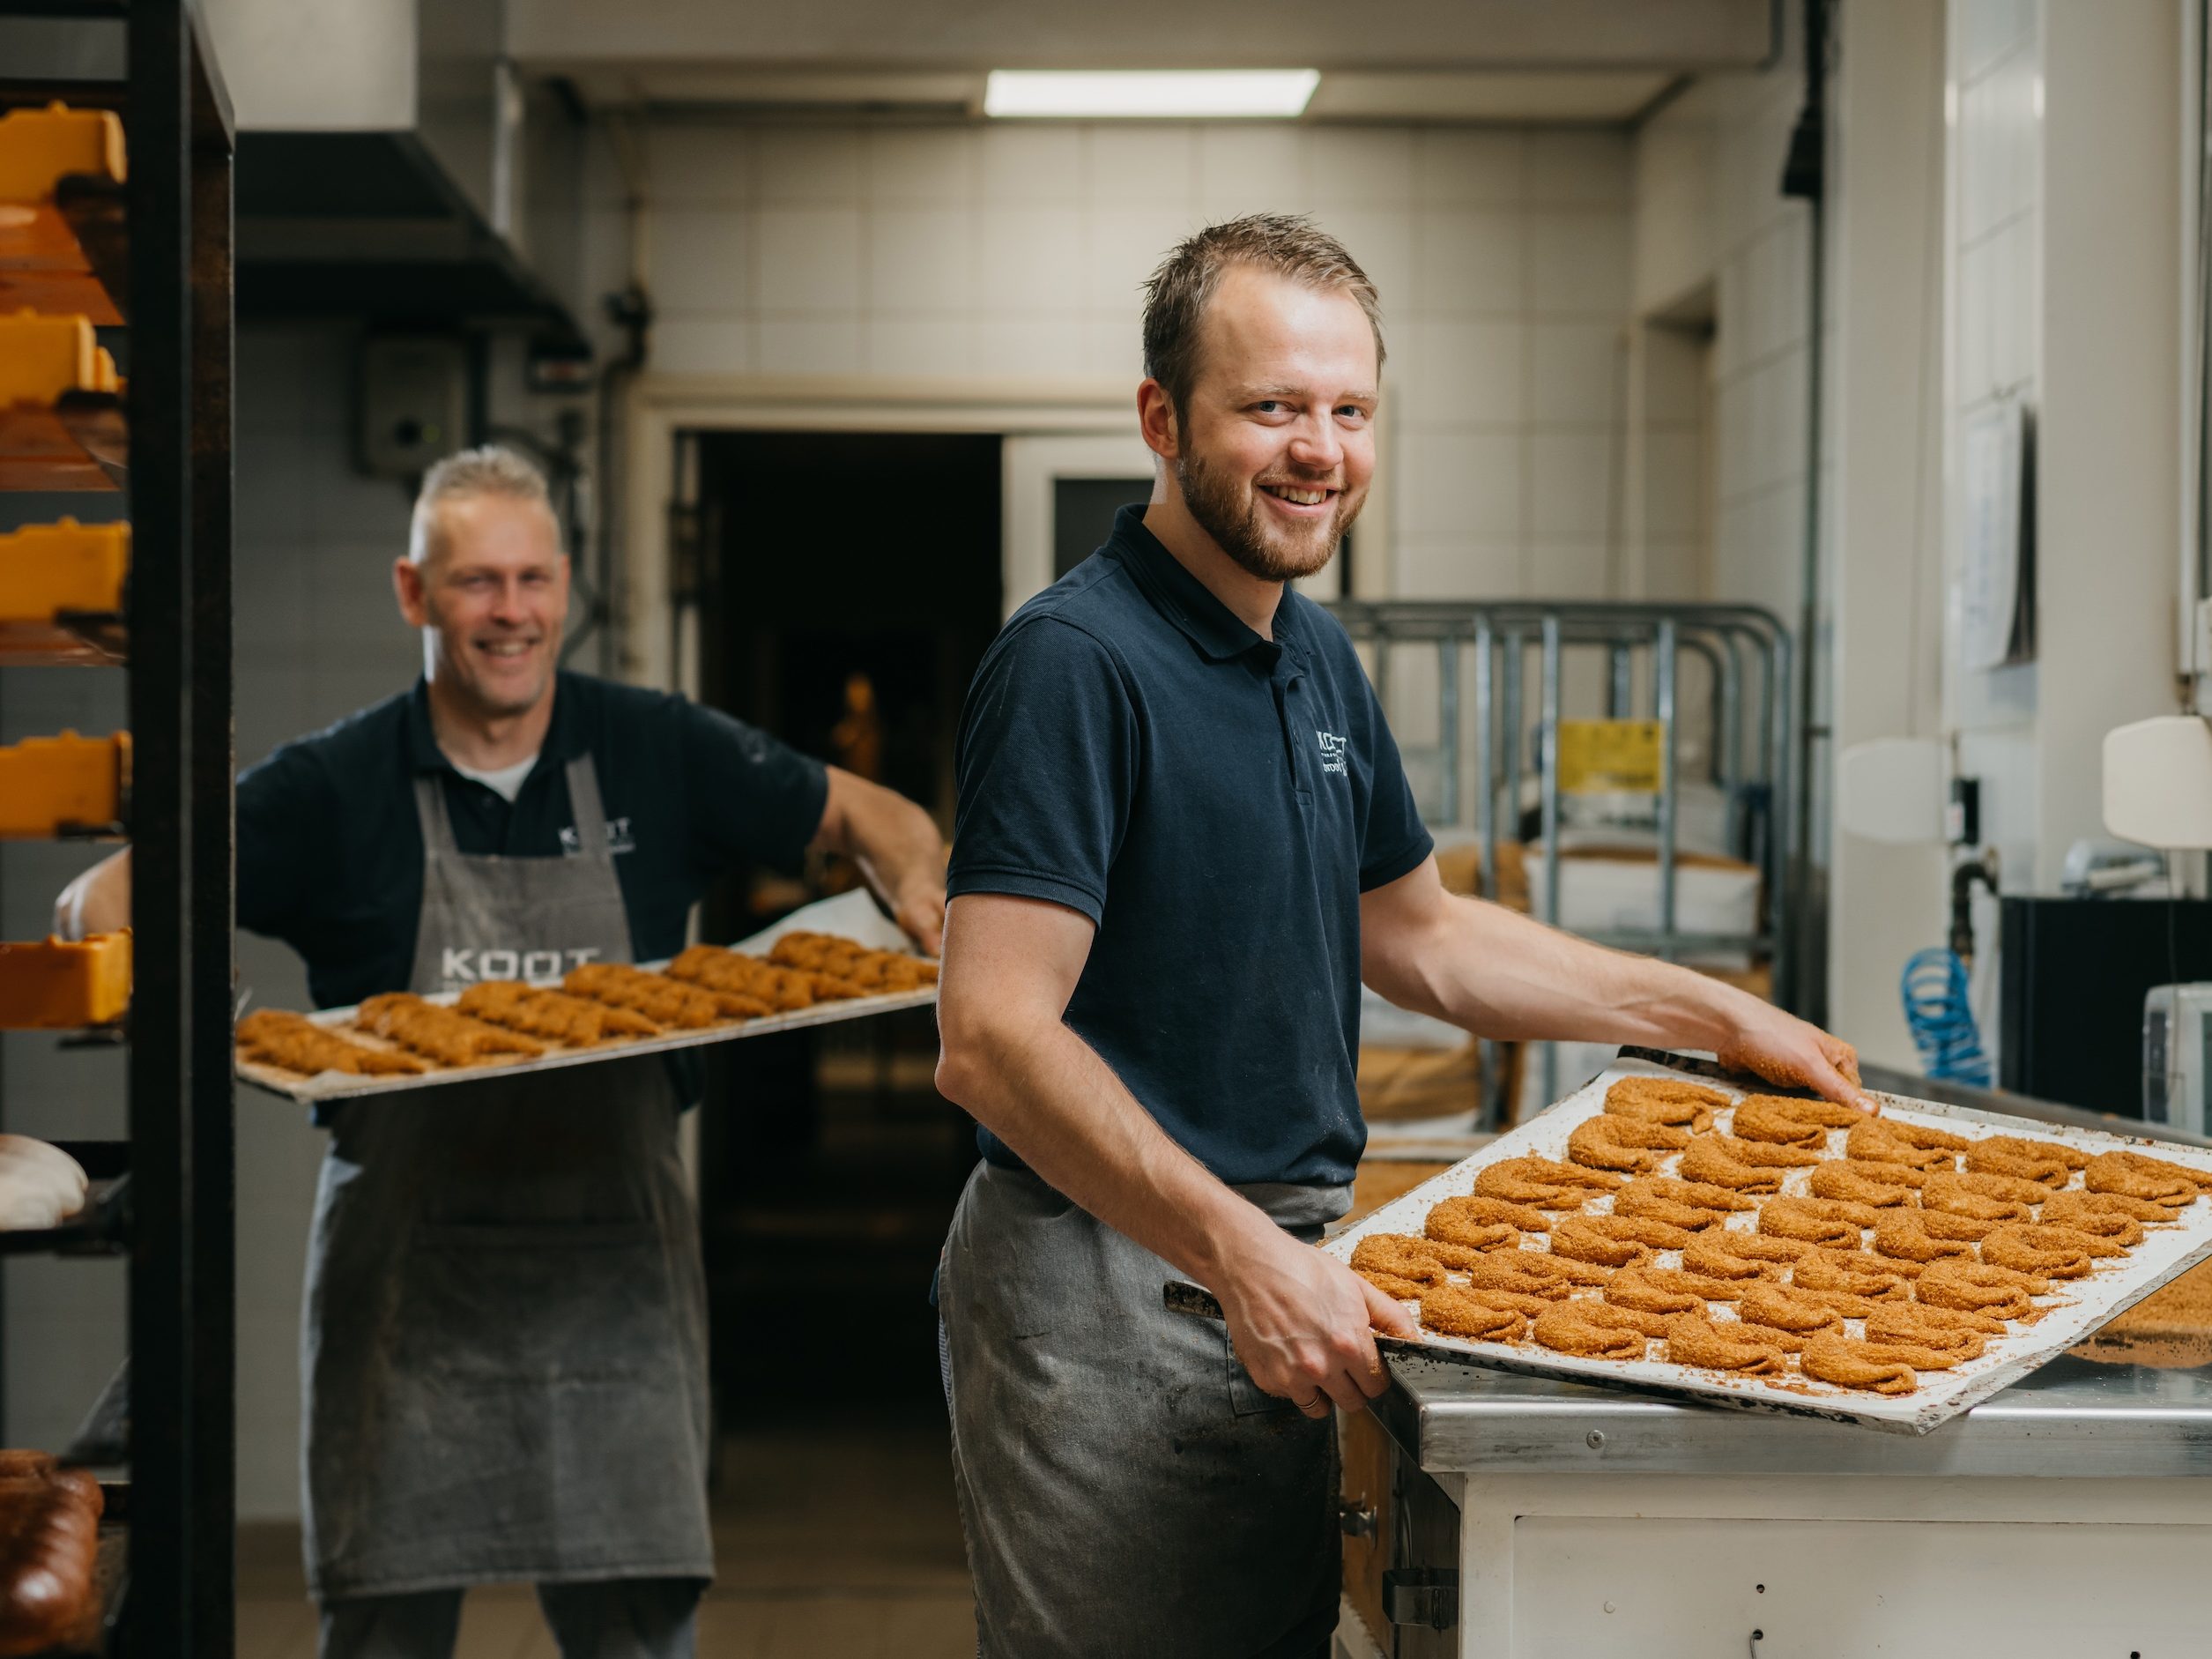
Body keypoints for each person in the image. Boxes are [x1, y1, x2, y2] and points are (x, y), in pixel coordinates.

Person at [930, 215, 1867, 1659]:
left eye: (1348, 410)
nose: (1319, 449)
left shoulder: (1310, 651)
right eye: (1272, 408)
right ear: (1160, 420)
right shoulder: (1075, 661)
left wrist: (1713, 1012)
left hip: (1279, 1262)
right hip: (1110, 1280)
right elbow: (992, 1039)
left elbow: (1417, 934)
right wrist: (1242, 1255)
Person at [58, 447, 946, 1659]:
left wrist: (928, 912)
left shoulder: (656, 746)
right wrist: (144, 979)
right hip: (405, 1293)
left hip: (615, 1289)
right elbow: (108, 898)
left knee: (638, 1636)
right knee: (383, 1638)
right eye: (476, 582)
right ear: (413, 592)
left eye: (532, 578)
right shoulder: (332, 784)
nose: (512, 611)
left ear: (566, 584)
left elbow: (876, 818)